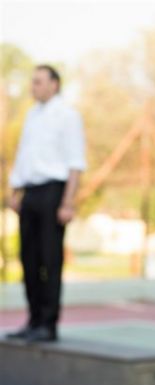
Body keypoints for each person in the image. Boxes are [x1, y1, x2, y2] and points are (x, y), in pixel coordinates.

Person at [5, 65, 86, 343]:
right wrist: (15, 190)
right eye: (32, 82)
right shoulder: (32, 115)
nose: (33, 87)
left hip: (54, 192)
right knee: (28, 259)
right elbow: (24, 155)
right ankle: (33, 320)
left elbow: (75, 162)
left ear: (54, 84)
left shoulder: (68, 116)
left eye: (38, 82)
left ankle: (48, 325)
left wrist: (68, 202)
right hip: (30, 192)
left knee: (50, 259)